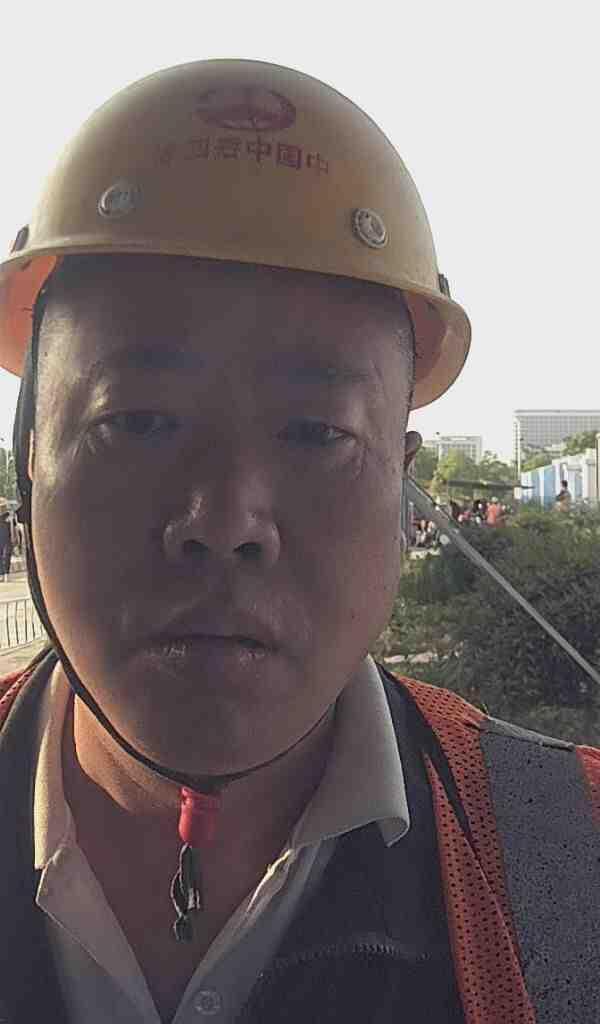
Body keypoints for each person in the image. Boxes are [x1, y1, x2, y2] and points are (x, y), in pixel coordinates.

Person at [0, 60, 598, 1024]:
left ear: (400, 482)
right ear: (32, 458)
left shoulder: (569, 859)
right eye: (138, 421)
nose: (223, 523)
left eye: (317, 434)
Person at [0, 497, 16, 580]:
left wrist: (15, 537)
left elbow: (14, 528)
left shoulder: (9, 517)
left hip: (8, 539)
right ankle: (1, 574)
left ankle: (6, 573)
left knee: (6, 555)